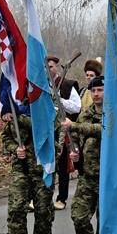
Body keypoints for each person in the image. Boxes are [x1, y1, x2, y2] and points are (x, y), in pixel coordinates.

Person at [63, 75, 113, 234]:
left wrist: (74, 126)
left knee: (104, 223)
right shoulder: (86, 113)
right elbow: (75, 137)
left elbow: (103, 130)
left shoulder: (114, 112)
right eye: (93, 91)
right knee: (79, 217)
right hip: (87, 175)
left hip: (108, 177)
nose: (96, 94)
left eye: (100, 90)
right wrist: (74, 151)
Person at [1, 105, 58, 234]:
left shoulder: (49, 110)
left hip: (43, 169)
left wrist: (19, 117)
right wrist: (14, 149)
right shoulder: (15, 109)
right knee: (16, 208)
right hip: (21, 168)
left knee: (42, 212)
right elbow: (6, 137)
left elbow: (56, 139)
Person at [47, 55, 82, 210]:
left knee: (62, 167)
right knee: (45, 165)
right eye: (46, 66)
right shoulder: (39, 85)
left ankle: (62, 198)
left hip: (62, 130)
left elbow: (76, 107)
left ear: (56, 67)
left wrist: (59, 100)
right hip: (46, 130)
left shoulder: (67, 85)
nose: (48, 69)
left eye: (51, 66)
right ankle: (43, 197)